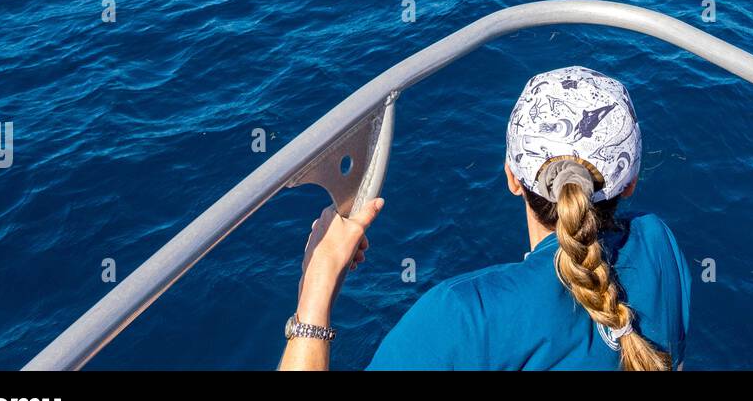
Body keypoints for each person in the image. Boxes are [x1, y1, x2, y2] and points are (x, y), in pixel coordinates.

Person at [279, 66, 691, 371]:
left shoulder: (462, 316)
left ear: (512, 176)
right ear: (632, 181)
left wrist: (316, 288)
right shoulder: (660, 246)